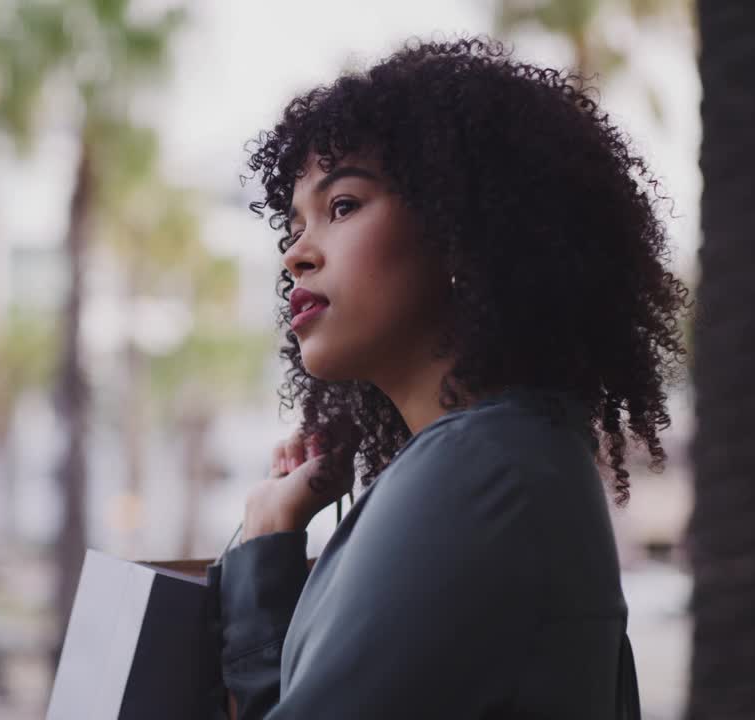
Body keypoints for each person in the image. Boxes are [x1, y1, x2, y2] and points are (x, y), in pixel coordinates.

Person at [211, 36, 689, 719]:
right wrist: (273, 527)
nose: (296, 254)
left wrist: (263, 545)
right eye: (292, 226)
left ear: (460, 225)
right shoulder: (509, 453)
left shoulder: (482, 470)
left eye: (342, 206)